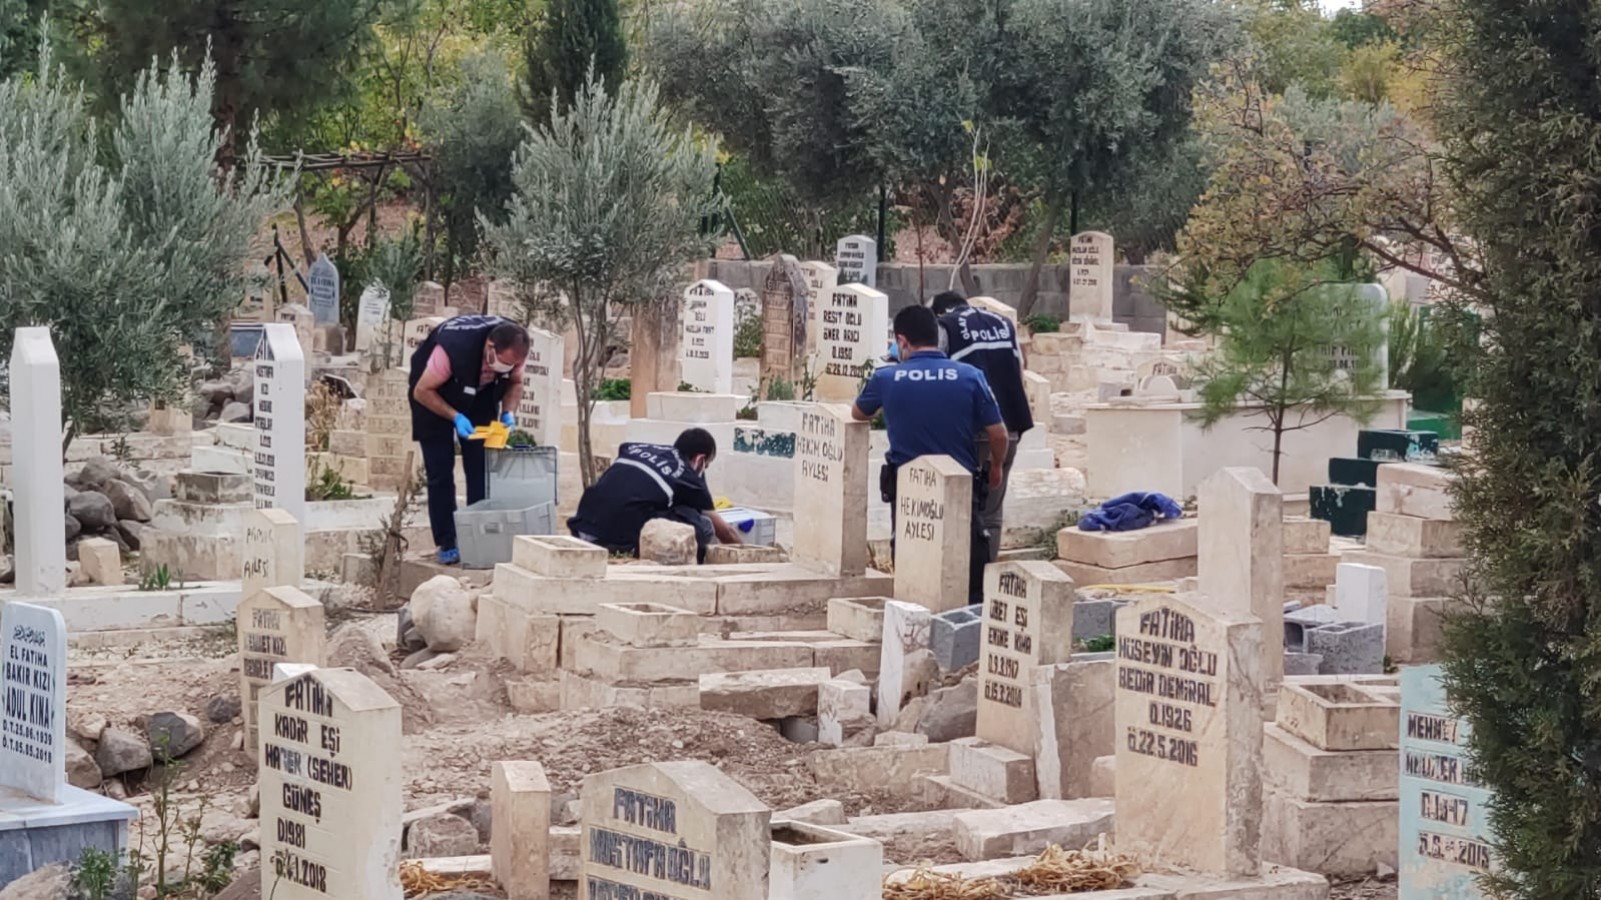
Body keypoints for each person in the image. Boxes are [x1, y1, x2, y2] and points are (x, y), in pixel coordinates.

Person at [853, 305, 1008, 603]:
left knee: (912, 555)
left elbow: (859, 413)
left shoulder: (886, 379)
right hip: (960, 484)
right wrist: (997, 464)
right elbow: (998, 433)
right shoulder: (970, 376)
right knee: (964, 554)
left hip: (908, 488)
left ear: (901, 341)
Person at [409, 315, 531, 565]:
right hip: (433, 394)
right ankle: (447, 541)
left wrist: (508, 411)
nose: (503, 370)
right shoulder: (452, 348)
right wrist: (454, 417)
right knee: (440, 471)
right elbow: (422, 391)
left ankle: (477, 534)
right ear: (490, 348)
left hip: (480, 397)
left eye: (509, 366)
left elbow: (516, 383)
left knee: (480, 468)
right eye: (501, 363)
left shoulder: (516, 348)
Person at [930, 291, 1035, 562]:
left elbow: (937, 372)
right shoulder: (1003, 324)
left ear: (939, 312)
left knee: (956, 509)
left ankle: (959, 580)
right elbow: (1021, 370)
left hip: (967, 430)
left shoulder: (945, 326)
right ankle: (985, 581)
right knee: (991, 514)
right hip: (1008, 425)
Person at [568, 427, 743, 563]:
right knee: (703, 525)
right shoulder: (686, 476)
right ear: (700, 460)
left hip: (582, 525)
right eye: (707, 465)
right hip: (613, 537)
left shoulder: (635, 448)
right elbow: (724, 532)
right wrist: (748, 556)